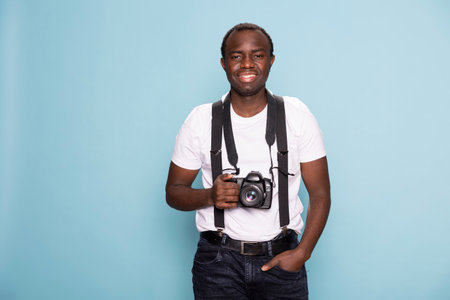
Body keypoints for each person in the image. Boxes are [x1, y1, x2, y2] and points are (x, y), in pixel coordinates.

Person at [165, 23, 330, 300]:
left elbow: (321, 193)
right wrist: (209, 195)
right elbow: (173, 192)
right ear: (223, 63)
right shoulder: (200, 120)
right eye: (236, 55)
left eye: (258, 54)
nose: (247, 64)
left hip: (281, 257)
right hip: (217, 262)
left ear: (271, 60)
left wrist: (303, 252)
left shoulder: (297, 115)